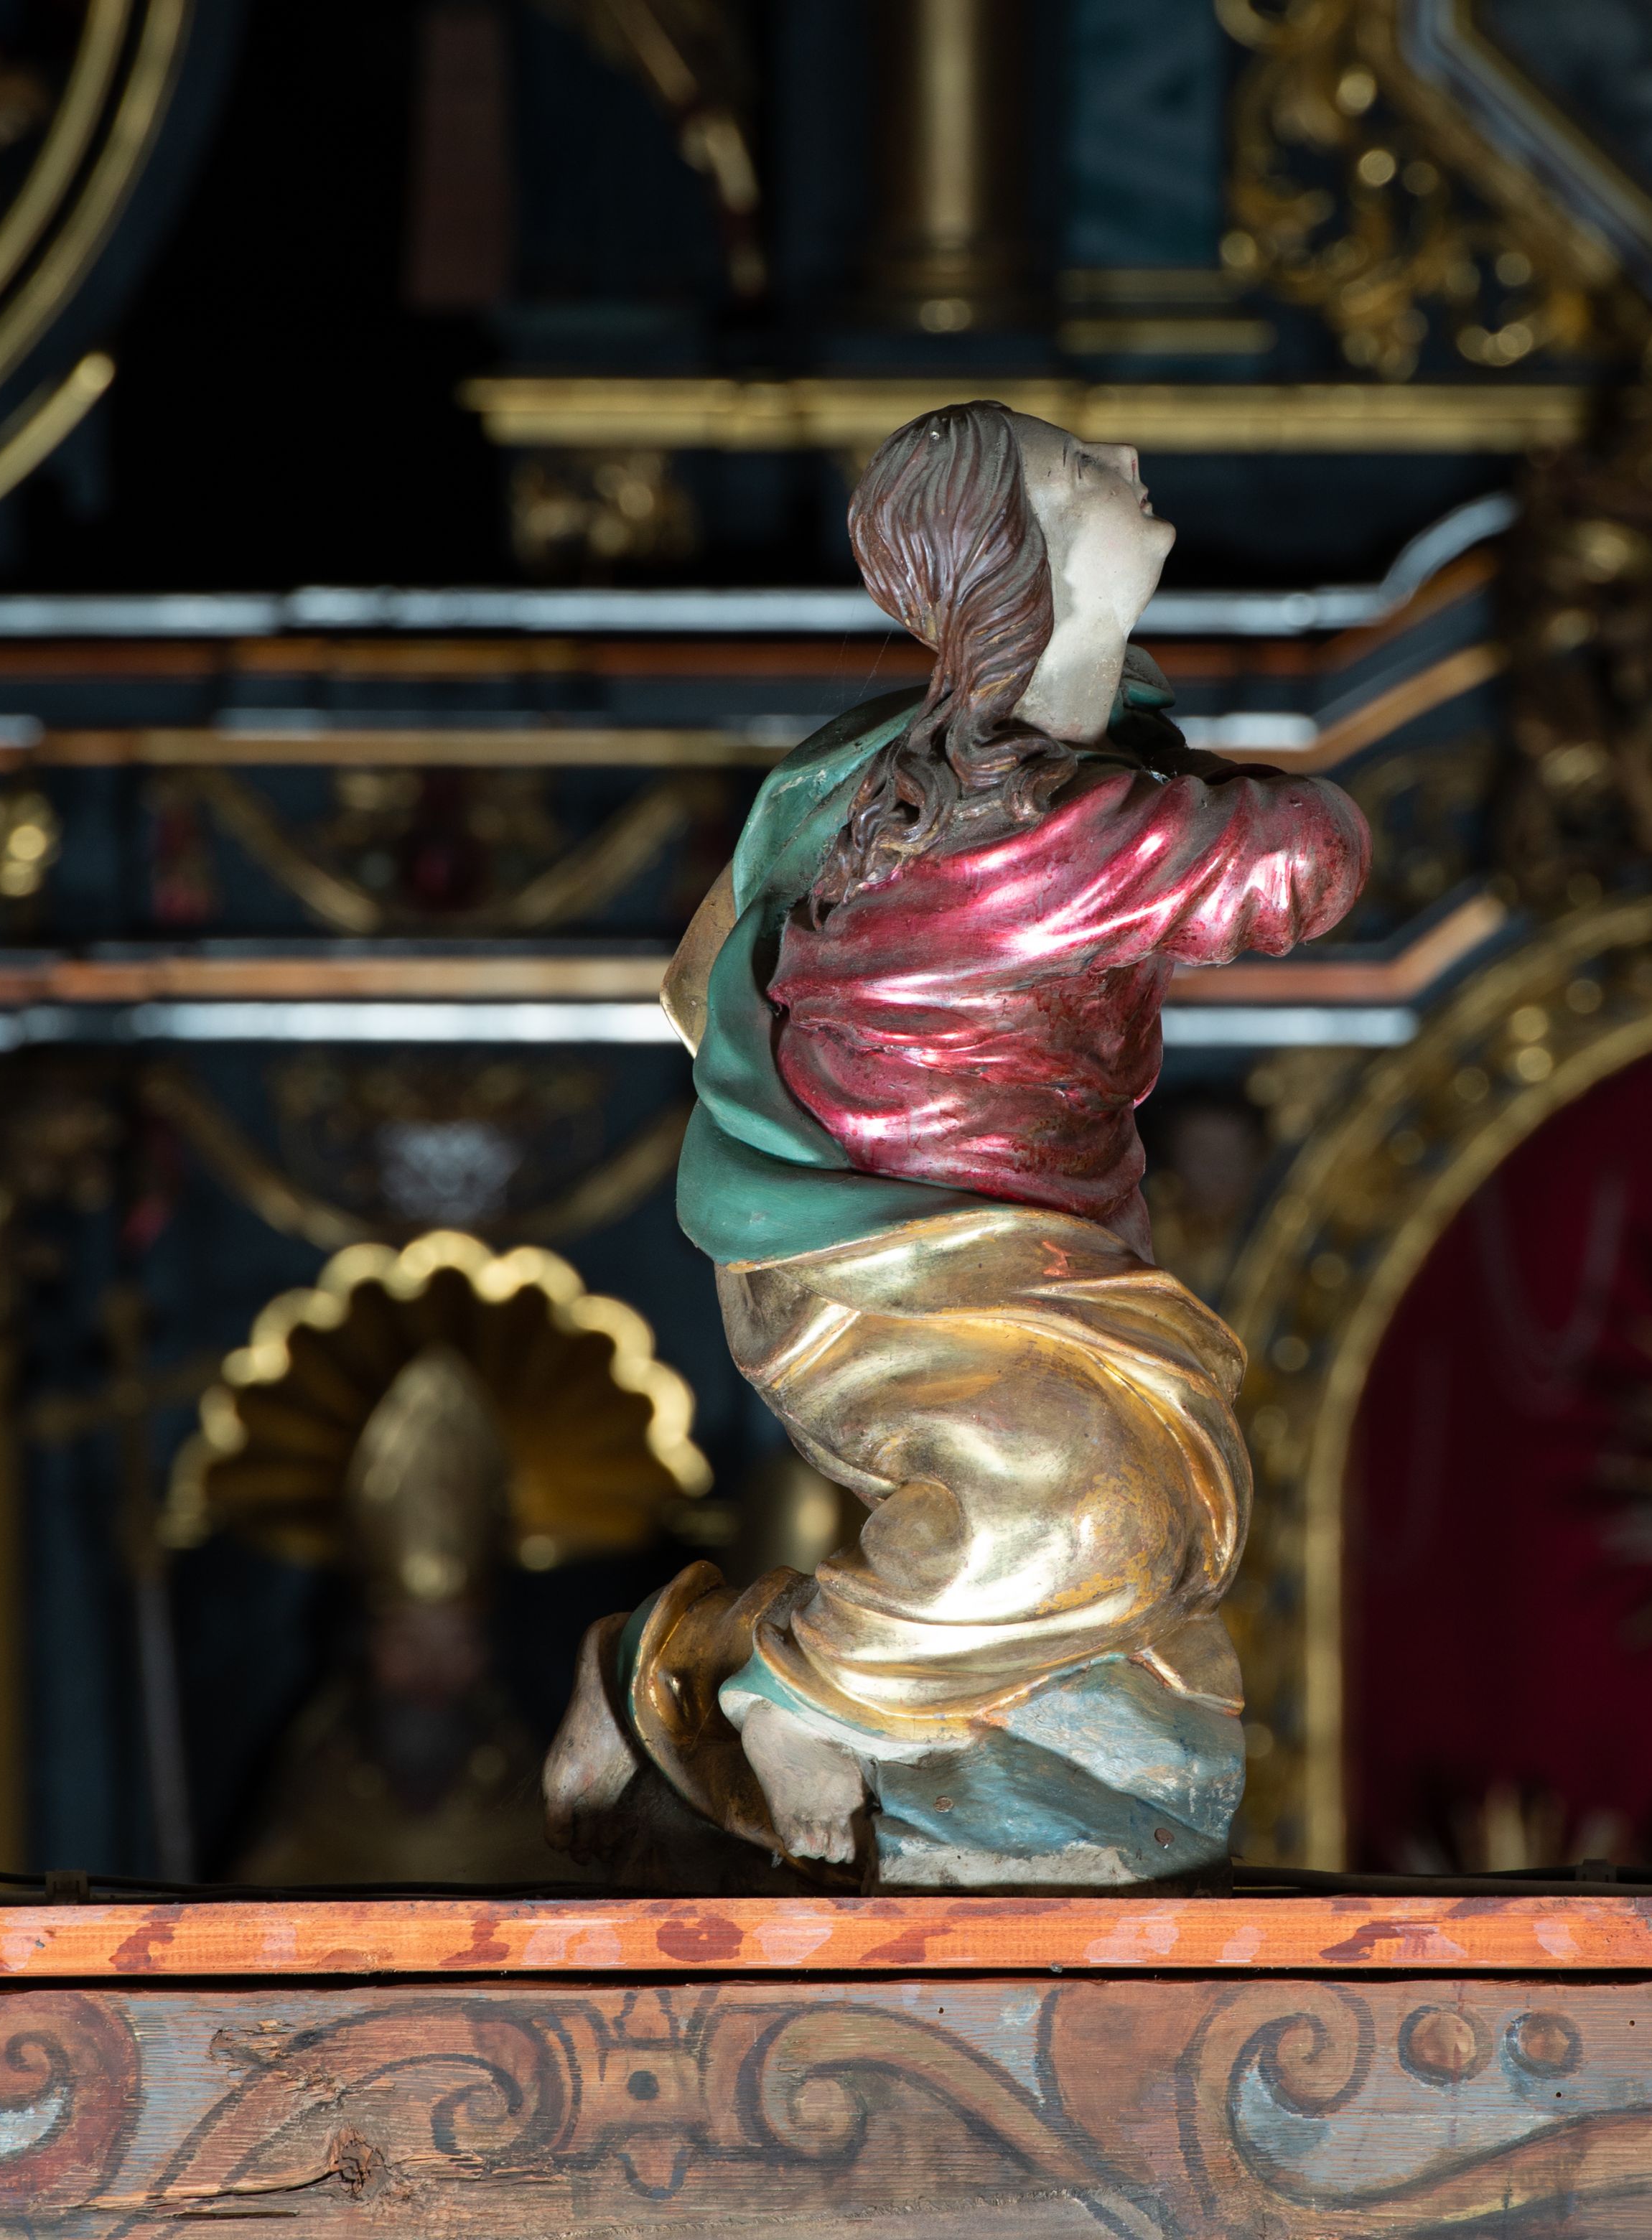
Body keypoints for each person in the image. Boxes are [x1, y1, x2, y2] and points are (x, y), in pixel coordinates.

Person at [546, 398, 1368, 1890]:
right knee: (1101, 1515)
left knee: (1162, 1540)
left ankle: (669, 1670)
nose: (1127, 465)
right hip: (899, 1267)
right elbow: (1305, 862)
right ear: (1023, 553)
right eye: (1081, 470)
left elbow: (711, 964)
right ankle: (800, 1697)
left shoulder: (908, 779)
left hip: (997, 1247)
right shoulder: (1035, 840)